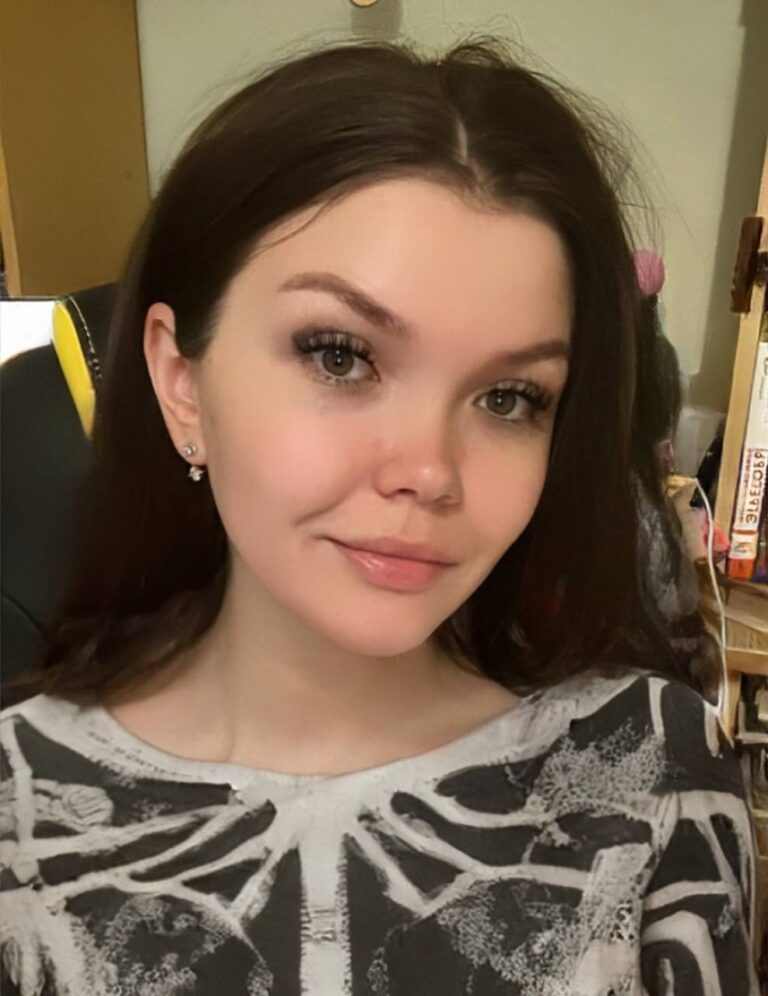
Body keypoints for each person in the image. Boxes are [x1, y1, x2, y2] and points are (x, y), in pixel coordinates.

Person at [0, 36, 759, 996]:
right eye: (340, 356)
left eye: (510, 398)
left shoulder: (655, 778)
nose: (429, 473)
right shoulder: (20, 813)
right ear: (181, 379)